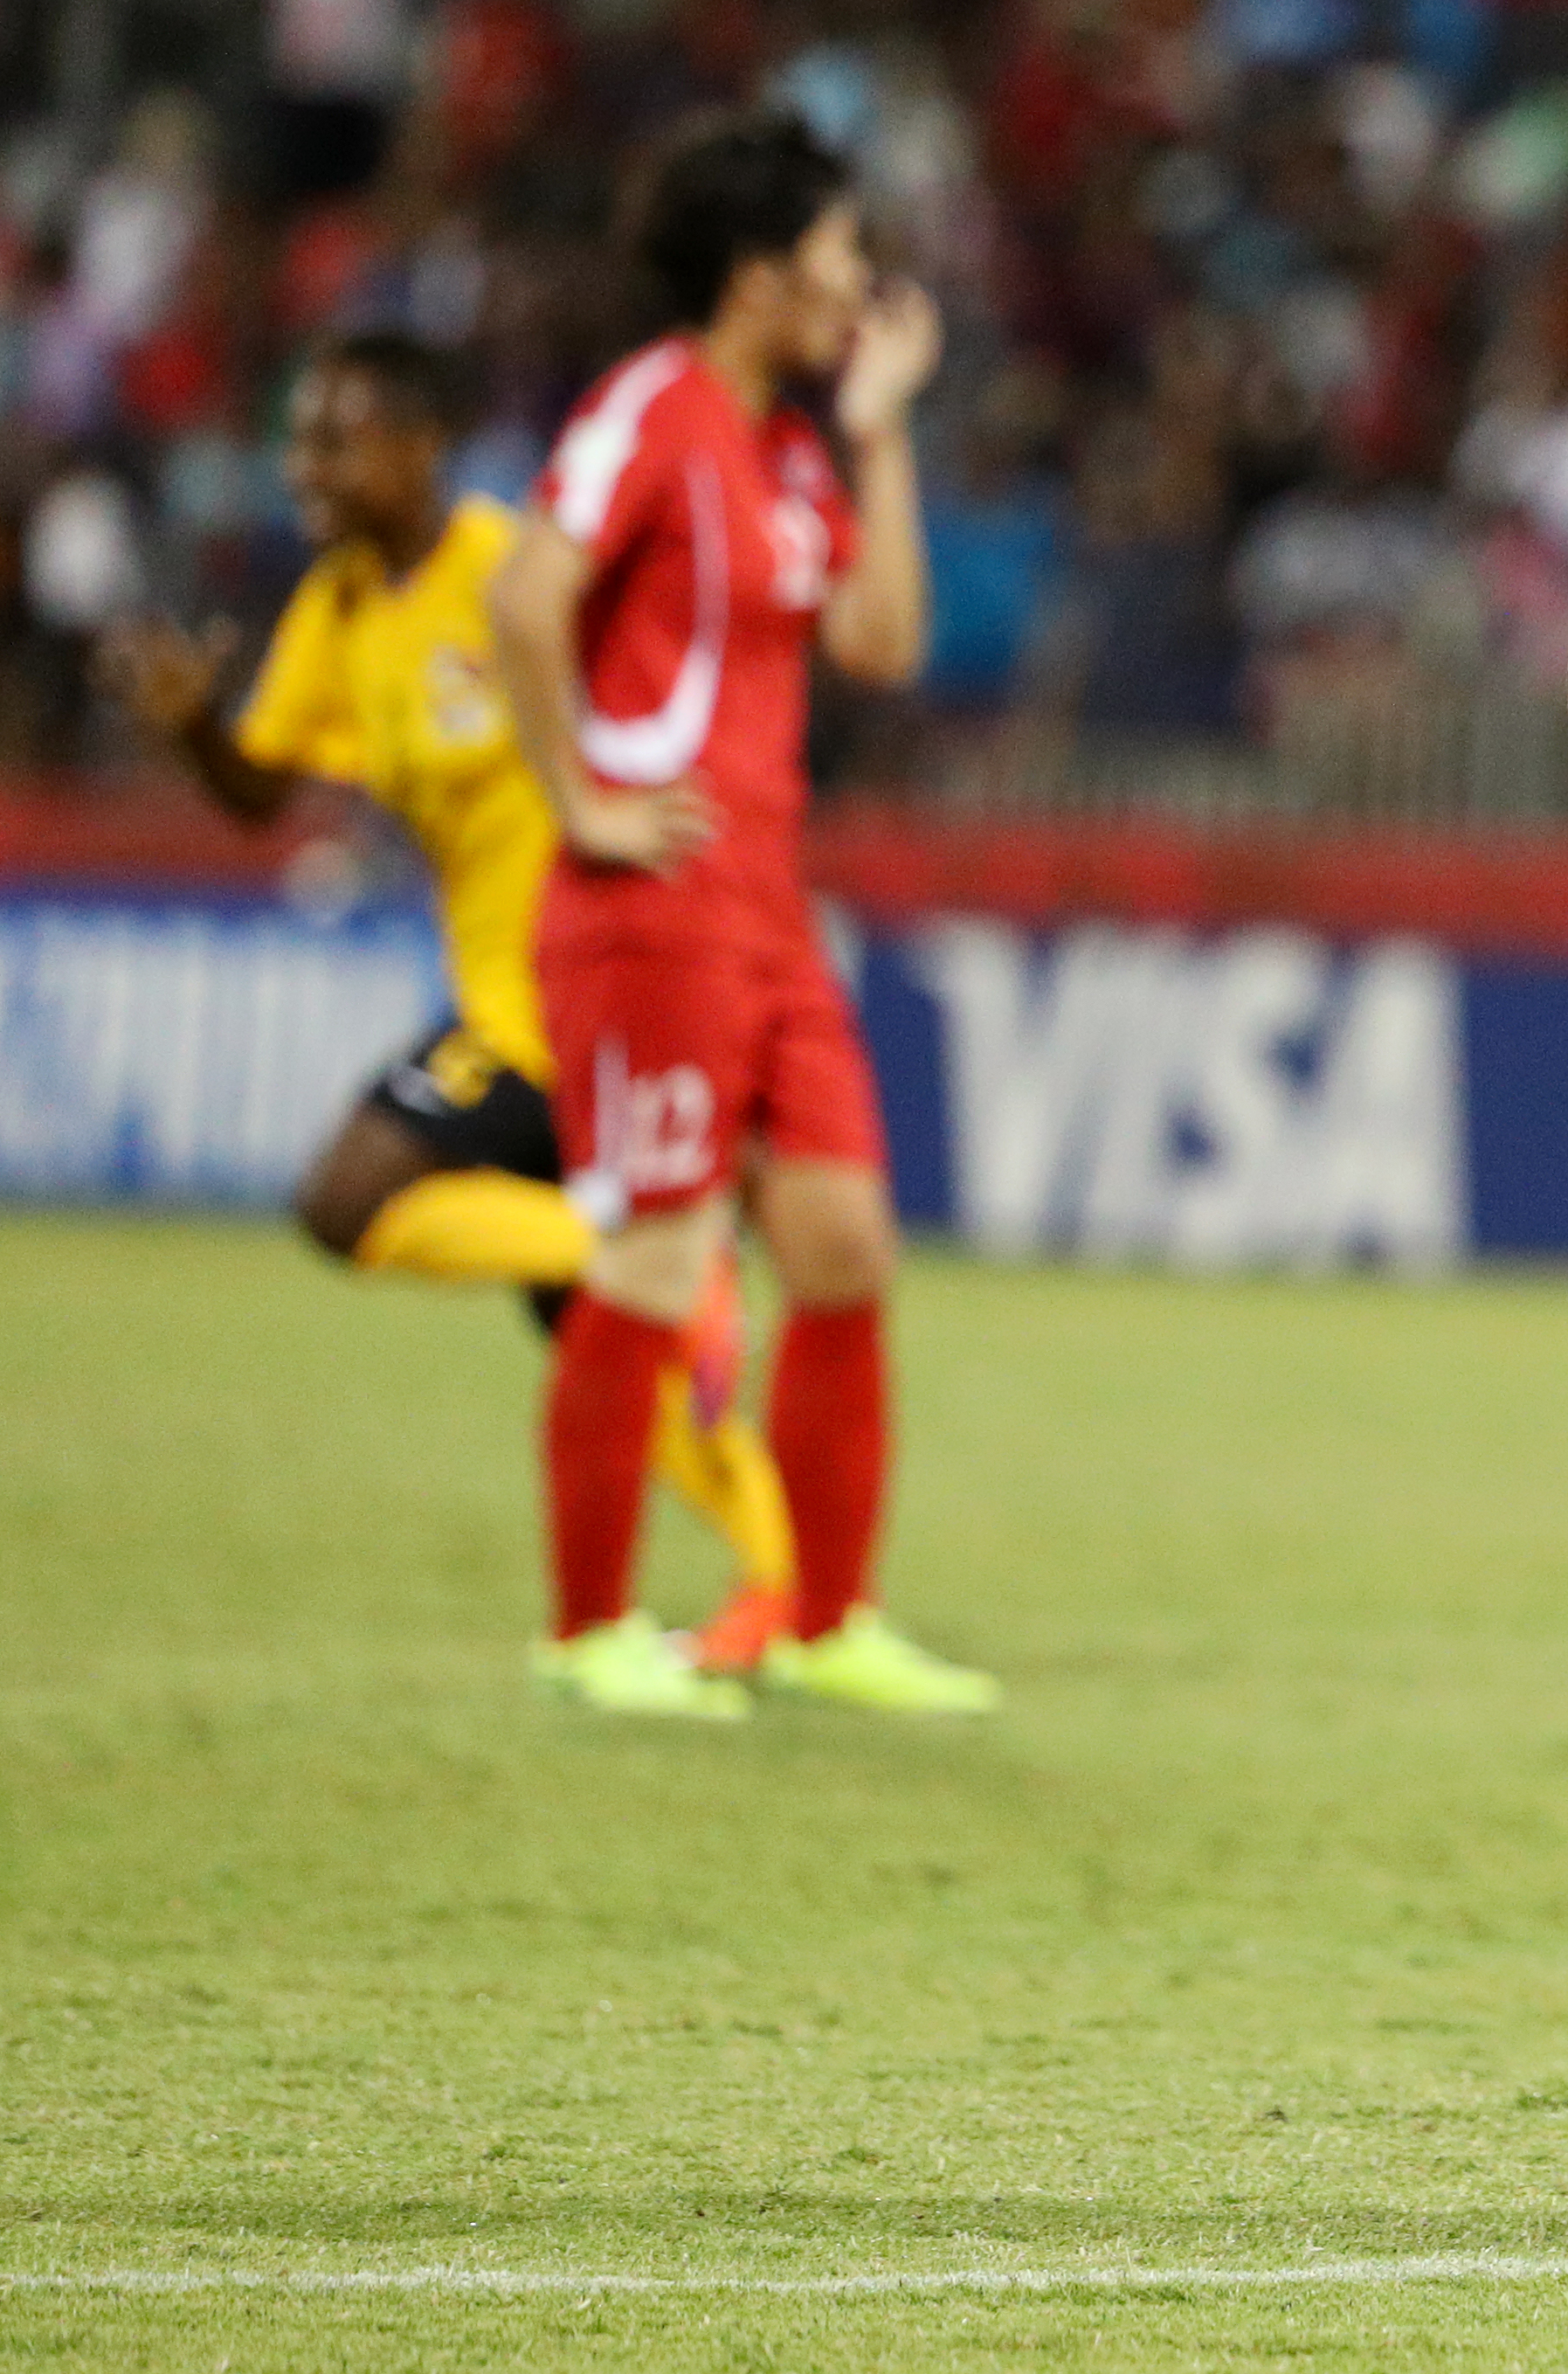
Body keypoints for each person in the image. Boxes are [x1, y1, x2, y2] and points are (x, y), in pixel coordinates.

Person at [95, 331, 795, 1662]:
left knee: (348, 1198)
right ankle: (780, 1574)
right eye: (299, 440)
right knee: (602, 1335)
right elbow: (264, 789)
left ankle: (640, 1259)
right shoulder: (343, 609)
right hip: (507, 1006)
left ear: (420, 447)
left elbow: (660, 681)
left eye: (336, 438)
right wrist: (194, 727)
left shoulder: (510, 571)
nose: (304, 466)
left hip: (580, 1001)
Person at [484, 111, 993, 1720]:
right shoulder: (652, 406)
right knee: (652, 1262)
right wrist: (581, 798)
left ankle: (828, 1618)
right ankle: (586, 1630)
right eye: (843, 260)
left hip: (767, 907)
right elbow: (523, 594)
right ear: (763, 271)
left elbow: (884, 641)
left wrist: (884, 430)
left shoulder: (783, 445)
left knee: (843, 1253)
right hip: (652, 906)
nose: (862, 289)